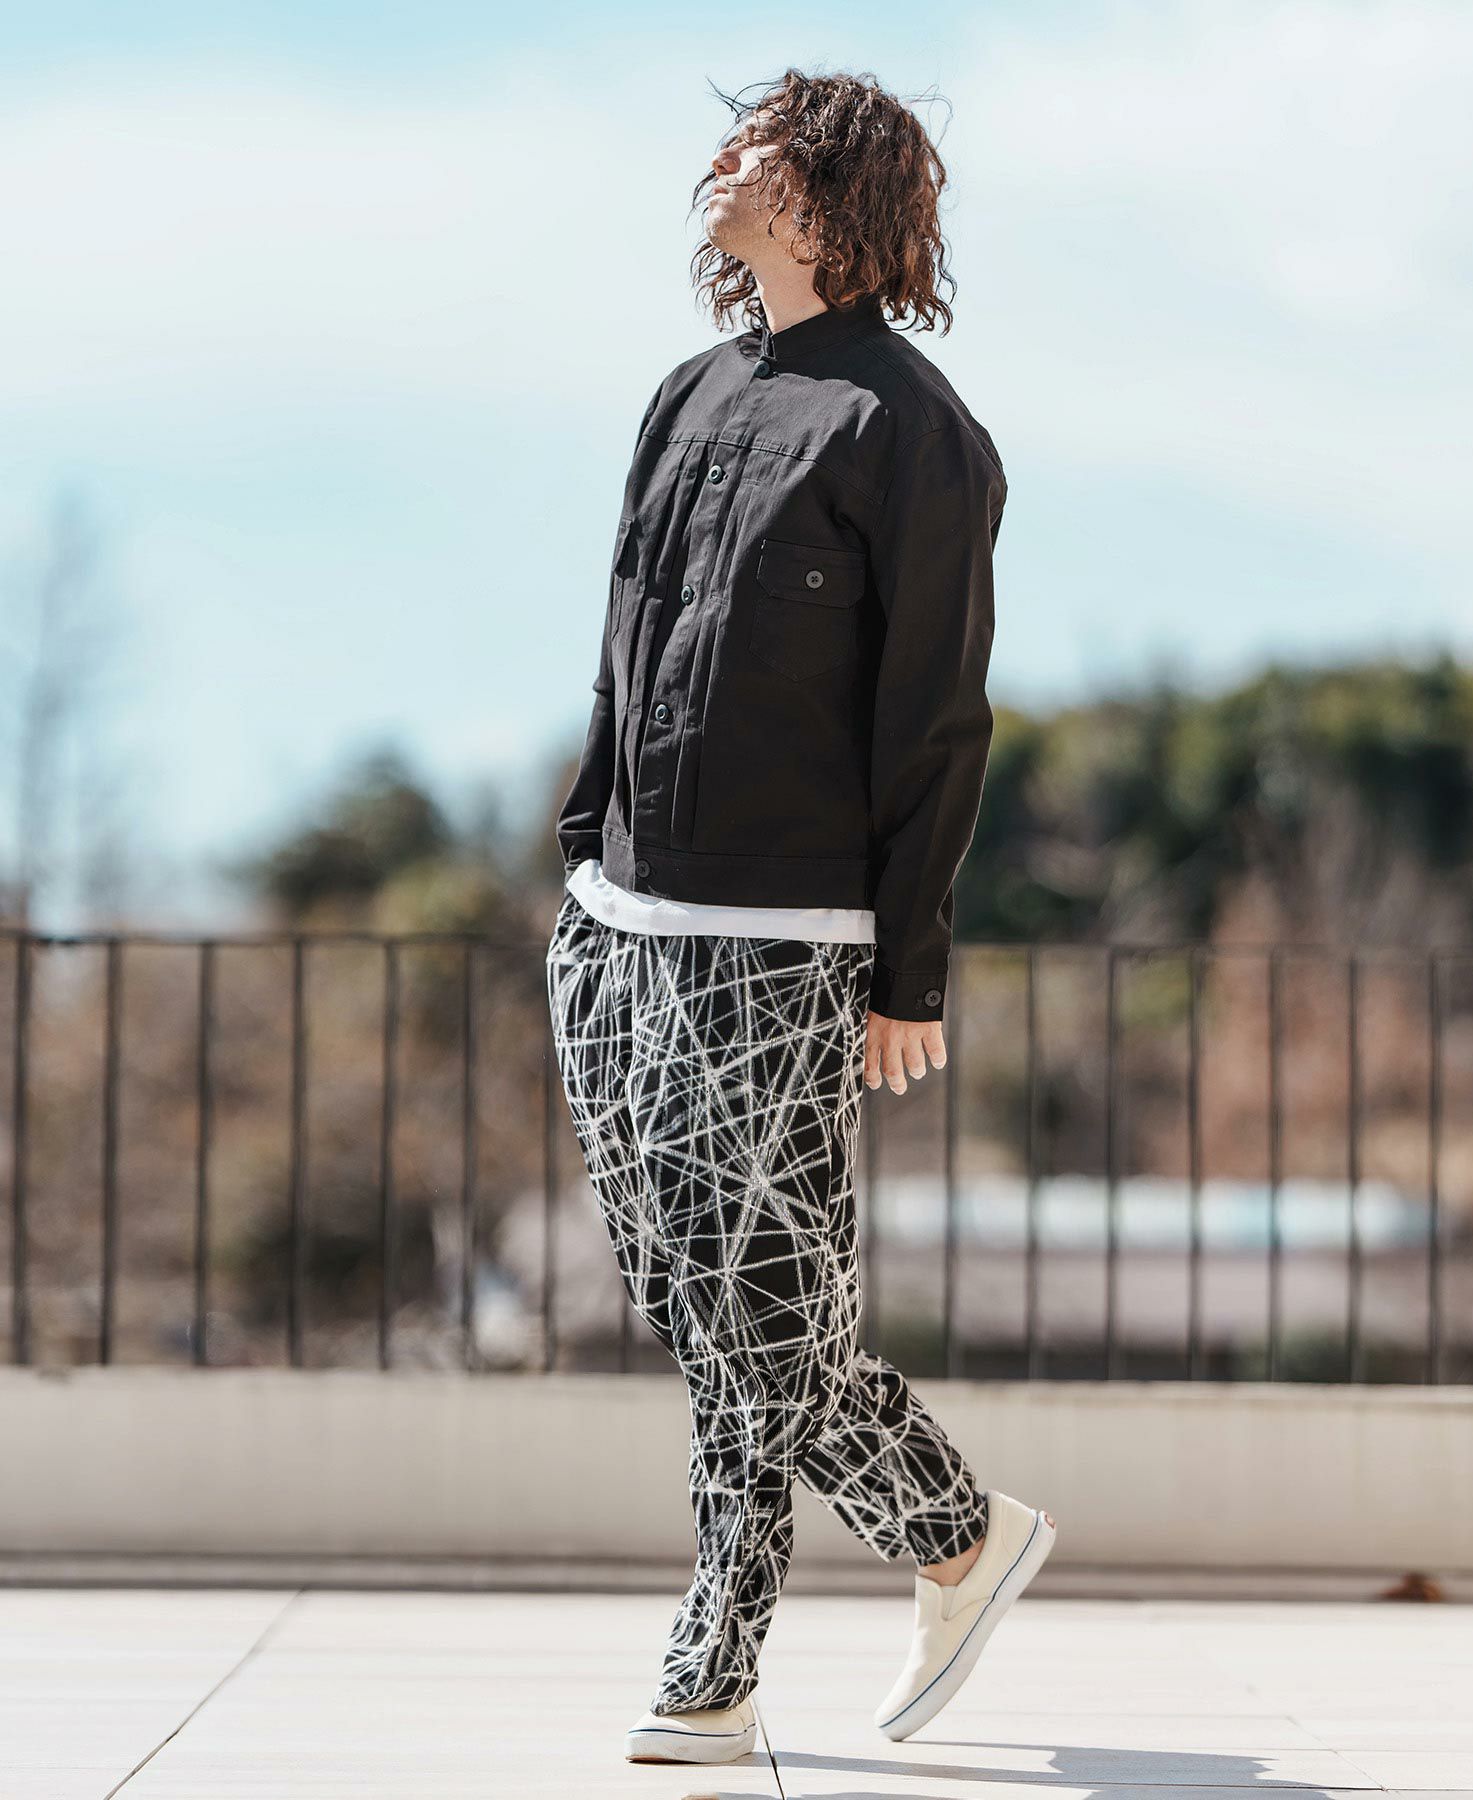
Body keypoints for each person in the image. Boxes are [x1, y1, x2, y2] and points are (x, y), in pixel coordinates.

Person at [544, 67, 1055, 1768]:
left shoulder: (915, 433)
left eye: (756, 148)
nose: (722, 162)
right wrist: (580, 857)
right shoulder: (687, 395)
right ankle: (956, 1533)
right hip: (616, 917)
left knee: (757, 1302)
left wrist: (909, 969)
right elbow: (623, 644)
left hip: (787, 937)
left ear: (830, 191)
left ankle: (719, 1658)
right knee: (693, 1290)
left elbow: (938, 723)